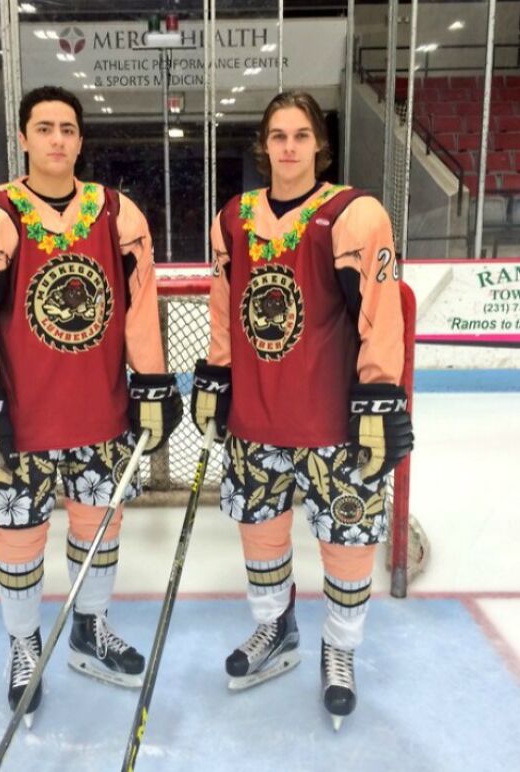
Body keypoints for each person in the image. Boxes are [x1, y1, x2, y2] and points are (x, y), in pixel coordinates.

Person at [0, 85, 182, 724]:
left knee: (98, 529)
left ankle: (89, 626)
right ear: (23, 137)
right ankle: (24, 642)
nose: (57, 139)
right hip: (20, 418)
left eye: (68, 129)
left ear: (80, 139)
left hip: (99, 414)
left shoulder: (117, 214)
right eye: (44, 127)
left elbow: (139, 309)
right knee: (18, 538)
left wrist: (152, 383)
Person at [191, 90, 413, 730]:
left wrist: (379, 394)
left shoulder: (354, 214)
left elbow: (381, 311)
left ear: (320, 145)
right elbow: (223, 306)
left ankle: (338, 651)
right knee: (260, 535)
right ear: (264, 146)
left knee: (347, 543)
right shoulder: (233, 217)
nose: (288, 147)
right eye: (277, 136)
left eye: (300, 135)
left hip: (333, 424)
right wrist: (215, 374)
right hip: (256, 419)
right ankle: (274, 629)